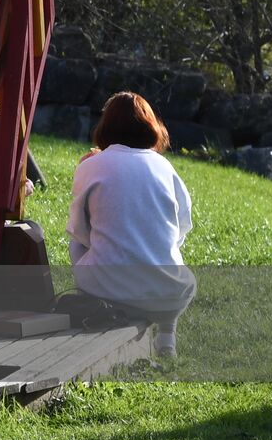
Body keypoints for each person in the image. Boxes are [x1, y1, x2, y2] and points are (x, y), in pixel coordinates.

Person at [68, 91, 195, 358]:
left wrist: (111, 244)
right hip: (170, 295)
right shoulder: (164, 166)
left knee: (75, 243)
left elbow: (79, 230)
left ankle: (96, 310)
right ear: (150, 126)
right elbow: (182, 226)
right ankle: (166, 337)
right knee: (172, 257)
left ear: (105, 126)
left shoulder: (91, 166)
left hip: (108, 290)